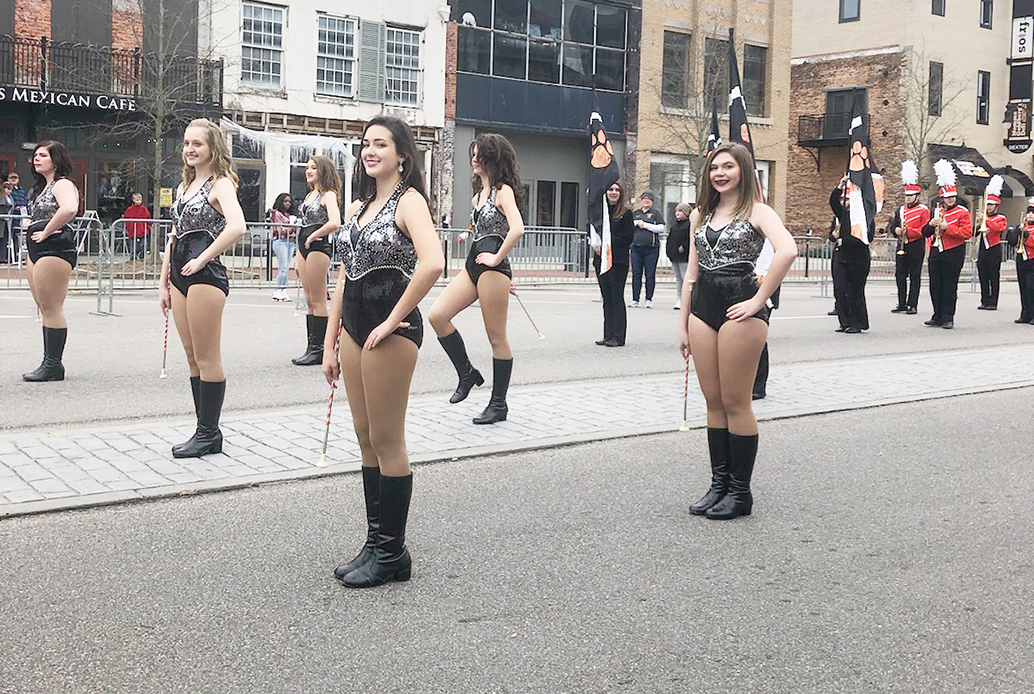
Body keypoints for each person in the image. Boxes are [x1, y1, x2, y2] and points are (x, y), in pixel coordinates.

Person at [324, 116, 445, 588]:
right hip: (354, 331)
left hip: (390, 334)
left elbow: (434, 262)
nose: (369, 150)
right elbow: (342, 275)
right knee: (364, 436)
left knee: (388, 438)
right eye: (365, 144)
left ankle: (392, 553)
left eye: (380, 144)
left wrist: (394, 319)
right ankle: (376, 541)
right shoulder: (357, 207)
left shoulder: (409, 201)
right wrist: (331, 340)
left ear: (402, 156)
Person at [677, 142, 797, 521]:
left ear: (743, 170)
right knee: (712, 401)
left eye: (728, 166)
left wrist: (760, 299)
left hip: (740, 308)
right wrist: (682, 323)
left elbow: (788, 250)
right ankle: (719, 484)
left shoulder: (758, 211)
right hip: (703, 309)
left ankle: (740, 493)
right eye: (714, 167)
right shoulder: (700, 214)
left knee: (735, 401)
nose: (720, 173)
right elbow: (691, 275)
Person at [158, 118, 246, 458]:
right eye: (186, 144)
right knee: (192, 356)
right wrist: (164, 281)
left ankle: (209, 432)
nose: (190, 150)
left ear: (213, 148)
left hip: (206, 277)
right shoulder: (184, 186)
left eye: (197, 144)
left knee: (208, 356)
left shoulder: (220, 184)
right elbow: (174, 234)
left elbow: (237, 226)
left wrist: (204, 258)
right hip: (179, 275)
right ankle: (203, 429)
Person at [428, 133, 525, 424]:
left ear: (492, 157)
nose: (473, 158)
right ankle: (467, 373)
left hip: (492, 267)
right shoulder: (478, 196)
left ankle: (499, 405)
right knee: (438, 315)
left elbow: (517, 228)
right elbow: (482, 230)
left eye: (479, 153)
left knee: (496, 337)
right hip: (474, 264)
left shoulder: (502, 191)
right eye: (473, 152)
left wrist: (499, 262)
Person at [22, 141, 81, 382]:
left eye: (43, 155)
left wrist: (46, 231)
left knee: (52, 307)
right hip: (37, 249)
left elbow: (69, 208)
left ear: (56, 160)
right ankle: (49, 361)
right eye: (35, 155)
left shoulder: (62, 184)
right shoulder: (41, 188)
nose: (37, 159)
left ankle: (53, 364)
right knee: (44, 305)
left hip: (54, 249)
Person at [292, 156, 342, 365]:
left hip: (318, 246)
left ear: (323, 170)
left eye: (313, 167)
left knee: (318, 299)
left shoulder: (328, 194)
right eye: (307, 168)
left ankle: (322, 348)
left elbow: (335, 221)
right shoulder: (311, 194)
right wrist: (297, 255)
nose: (309, 171)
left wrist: (314, 235)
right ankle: (312, 347)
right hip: (304, 246)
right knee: (309, 299)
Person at [923, 161, 972, 329]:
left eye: (952, 197)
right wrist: (930, 224)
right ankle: (937, 315)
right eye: (947, 197)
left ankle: (948, 317)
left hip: (953, 252)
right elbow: (925, 233)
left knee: (949, 286)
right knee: (935, 285)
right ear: (942, 198)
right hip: (936, 251)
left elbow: (967, 233)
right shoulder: (937, 212)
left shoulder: (963, 212)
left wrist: (947, 227)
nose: (950, 199)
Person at [829, 177, 874, 333]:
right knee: (840, 290)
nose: (845, 202)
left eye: (848, 199)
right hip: (842, 258)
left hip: (858, 259)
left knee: (855, 291)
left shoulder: (866, 217)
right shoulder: (844, 214)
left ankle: (856, 323)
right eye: (844, 199)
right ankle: (844, 321)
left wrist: (845, 241)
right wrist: (840, 185)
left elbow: (867, 238)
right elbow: (833, 202)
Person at [593, 181, 634, 347]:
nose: (614, 192)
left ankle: (618, 336)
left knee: (616, 297)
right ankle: (608, 333)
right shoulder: (599, 213)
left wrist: (608, 244)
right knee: (606, 298)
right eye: (610, 189)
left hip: (618, 261)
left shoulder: (626, 213)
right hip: (601, 260)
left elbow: (627, 238)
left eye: (617, 190)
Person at [888, 160, 930, 315]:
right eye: (906, 195)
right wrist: (896, 230)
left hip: (916, 245)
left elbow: (925, 230)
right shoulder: (900, 210)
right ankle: (901, 303)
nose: (908, 198)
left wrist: (909, 231)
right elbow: (893, 226)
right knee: (900, 275)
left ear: (917, 196)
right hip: (902, 245)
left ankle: (913, 304)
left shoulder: (924, 210)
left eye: (911, 196)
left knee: (914, 276)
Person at [975, 176, 1008, 311]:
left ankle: (993, 301)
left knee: (993, 276)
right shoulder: (984, 217)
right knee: (983, 274)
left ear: (996, 206)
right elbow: (975, 233)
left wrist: (985, 220)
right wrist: (978, 224)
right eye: (987, 204)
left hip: (994, 249)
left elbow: (998, 228)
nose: (988, 207)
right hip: (983, 248)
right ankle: (984, 300)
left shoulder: (1001, 217)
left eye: (991, 205)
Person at [752, 239, 779, 401]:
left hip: (762, 281)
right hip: (741, 282)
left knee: (756, 337)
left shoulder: (764, 223)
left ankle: (758, 385)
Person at [628, 190, 664, 308]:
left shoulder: (656, 213)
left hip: (651, 249)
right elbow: (628, 225)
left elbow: (661, 228)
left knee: (650, 274)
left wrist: (646, 225)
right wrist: (635, 223)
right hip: (636, 248)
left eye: (649, 199)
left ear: (652, 201)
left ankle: (649, 299)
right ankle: (635, 299)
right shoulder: (636, 213)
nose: (646, 201)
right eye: (644, 199)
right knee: (636, 274)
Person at [268, 192, 298, 302]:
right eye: (285, 201)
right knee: (283, 266)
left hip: (290, 242)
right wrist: (291, 227)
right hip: (280, 241)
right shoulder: (276, 213)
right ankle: (277, 290)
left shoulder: (289, 215)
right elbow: (280, 228)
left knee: (286, 266)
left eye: (289, 202)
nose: (288, 204)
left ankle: (283, 290)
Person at [666, 202, 692, 310]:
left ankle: (687, 300)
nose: (678, 213)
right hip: (674, 257)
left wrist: (683, 248)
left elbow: (689, 239)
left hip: (683, 257)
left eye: (681, 211)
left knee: (684, 278)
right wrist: (669, 252)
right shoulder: (674, 226)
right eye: (677, 211)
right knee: (678, 279)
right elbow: (670, 239)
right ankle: (679, 298)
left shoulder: (689, 225)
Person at [1014, 203, 1034, 324]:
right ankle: (1025, 313)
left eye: (1033, 212)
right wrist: (1016, 233)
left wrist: (1026, 236)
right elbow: (1012, 242)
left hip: (1032, 260)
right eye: (1029, 213)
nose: (1030, 215)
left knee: (1031, 288)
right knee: (1023, 287)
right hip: (1022, 259)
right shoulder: (1022, 226)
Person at [124, 192, 152, 260]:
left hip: (143, 232)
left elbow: (148, 220)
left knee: (143, 246)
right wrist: (129, 229)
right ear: (133, 200)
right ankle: (133, 258)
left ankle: (141, 258)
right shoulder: (129, 210)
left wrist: (147, 229)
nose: (138, 201)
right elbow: (126, 220)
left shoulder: (144, 209)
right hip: (133, 232)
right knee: (133, 247)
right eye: (137, 200)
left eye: (140, 200)